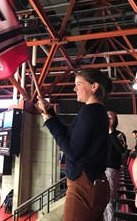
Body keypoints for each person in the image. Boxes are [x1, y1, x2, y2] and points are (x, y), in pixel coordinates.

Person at [37, 68, 113, 221]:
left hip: (83, 186)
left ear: (94, 86)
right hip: (94, 184)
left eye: (79, 84)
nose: (74, 88)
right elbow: (70, 134)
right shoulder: (96, 111)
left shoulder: (90, 111)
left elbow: (72, 151)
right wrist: (50, 112)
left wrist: (50, 123)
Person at [103, 110, 127, 221]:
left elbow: (121, 150)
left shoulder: (119, 134)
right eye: (106, 117)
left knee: (108, 199)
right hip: (99, 169)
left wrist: (111, 131)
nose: (108, 119)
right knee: (98, 199)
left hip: (112, 169)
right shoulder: (100, 134)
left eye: (111, 117)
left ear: (115, 120)